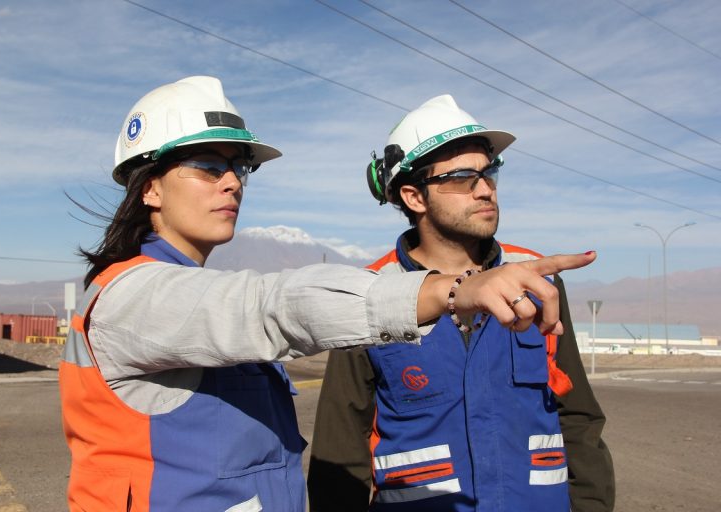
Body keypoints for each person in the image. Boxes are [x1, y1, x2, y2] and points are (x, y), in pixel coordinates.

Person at [59, 77, 595, 512]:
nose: (233, 182)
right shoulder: (131, 298)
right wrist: (454, 292)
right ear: (149, 187)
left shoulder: (537, 282)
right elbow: (273, 307)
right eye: (208, 165)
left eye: (239, 166)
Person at [308, 95, 615, 511]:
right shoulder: (371, 296)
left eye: (489, 173)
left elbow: (577, 418)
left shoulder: (538, 282)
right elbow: (341, 448)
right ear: (415, 197)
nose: (485, 189)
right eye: (463, 177)